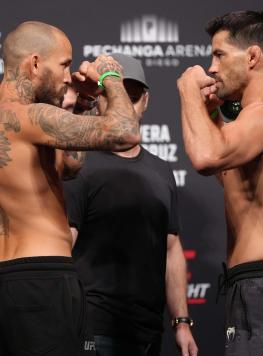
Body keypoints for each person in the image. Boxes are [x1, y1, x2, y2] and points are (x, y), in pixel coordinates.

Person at [0, 21, 140, 356]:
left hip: (15, 279)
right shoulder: (29, 116)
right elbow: (124, 132)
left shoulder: (17, 122)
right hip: (41, 280)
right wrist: (110, 77)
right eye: (63, 64)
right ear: (34, 63)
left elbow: (69, 168)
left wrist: (83, 102)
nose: (67, 77)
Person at [63, 53, 198, 356]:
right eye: (114, 94)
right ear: (98, 97)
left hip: (148, 331)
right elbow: (62, 245)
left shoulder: (162, 170)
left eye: (132, 97)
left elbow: (172, 248)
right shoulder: (77, 163)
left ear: (146, 101)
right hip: (93, 326)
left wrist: (181, 323)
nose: (122, 105)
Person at [177, 10, 263, 356]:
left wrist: (188, 93)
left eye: (219, 54)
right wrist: (209, 115)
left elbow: (206, 158)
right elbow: (230, 179)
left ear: (253, 56)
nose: (212, 67)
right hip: (252, 286)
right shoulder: (251, 121)